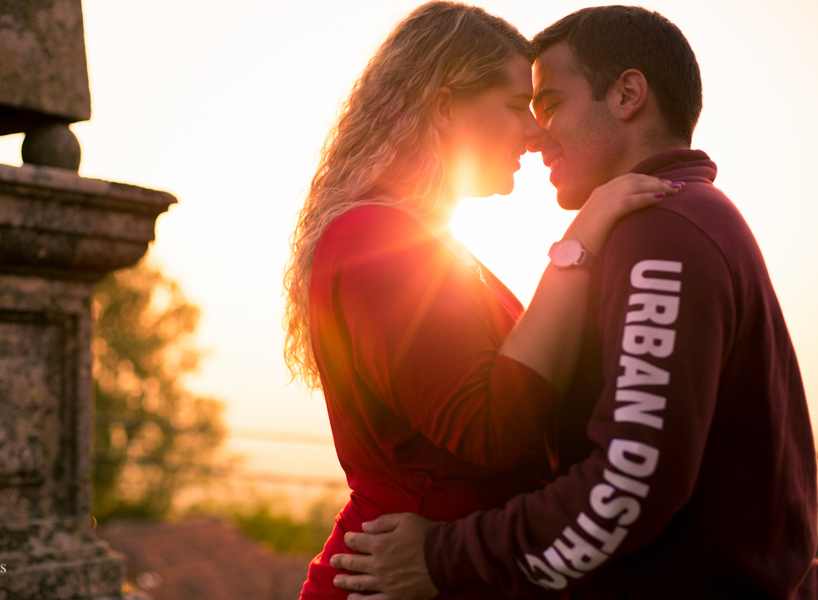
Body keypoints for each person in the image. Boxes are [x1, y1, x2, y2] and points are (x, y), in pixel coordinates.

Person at [330, 6, 818, 600]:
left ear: (628, 94)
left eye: (551, 104)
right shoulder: (663, 222)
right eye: (522, 110)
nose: (538, 136)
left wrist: (446, 556)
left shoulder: (662, 230)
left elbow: (630, 479)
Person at [282, 3, 680, 599]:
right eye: (519, 107)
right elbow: (494, 428)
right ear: (444, 107)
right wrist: (577, 244)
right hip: (391, 581)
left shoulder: (433, 247)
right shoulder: (374, 241)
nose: (538, 131)